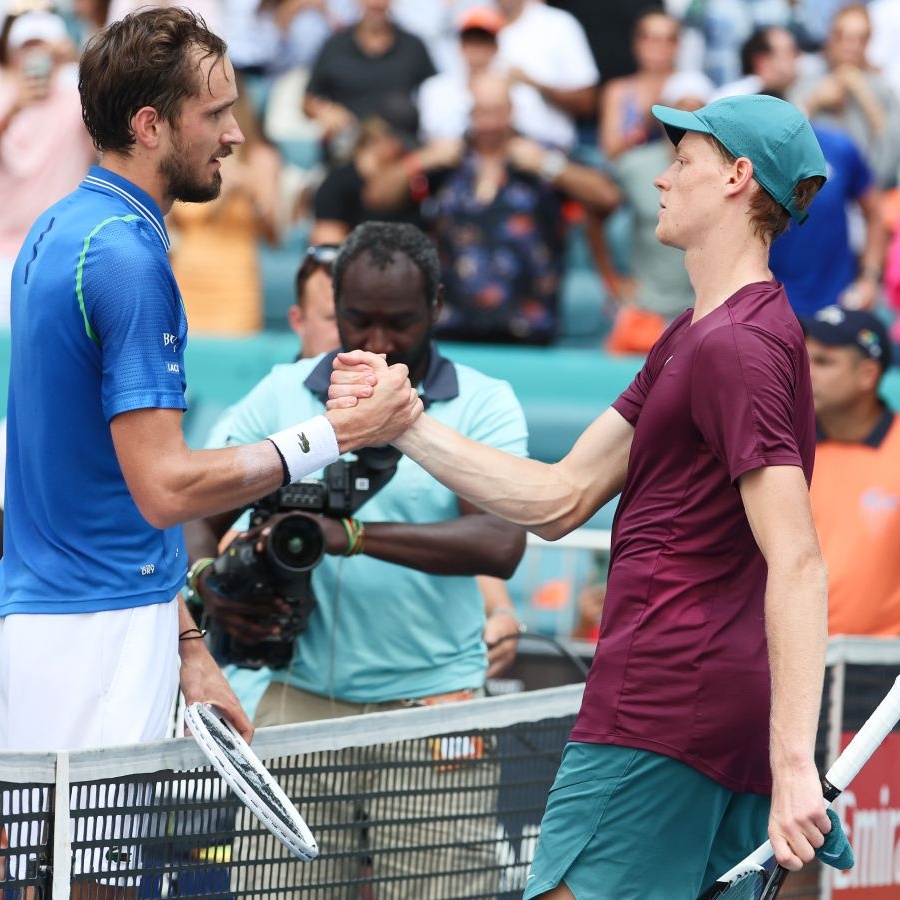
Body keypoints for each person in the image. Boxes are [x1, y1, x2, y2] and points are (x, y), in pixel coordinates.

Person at [330, 94, 834, 897]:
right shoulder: (702, 334)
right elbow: (561, 498)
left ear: (738, 179)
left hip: (665, 706)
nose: (661, 180)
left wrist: (795, 764)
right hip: (697, 704)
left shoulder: (734, 344)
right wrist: (405, 424)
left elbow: (799, 563)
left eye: (684, 162)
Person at [0, 6, 419, 766]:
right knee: (83, 886)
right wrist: (339, 434)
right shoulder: (127, 258)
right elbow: (164, 487)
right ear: (153, 125)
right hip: (95, 630)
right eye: (216, 113)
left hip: (70, 617)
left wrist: (189, 647)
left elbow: (115, 486)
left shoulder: (60, 228)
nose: (234, 134)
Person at [184, 221, 527, 895]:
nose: (375, 343)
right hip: (299, 703)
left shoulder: (484, 403)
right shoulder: (283, 394)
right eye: (356, 320)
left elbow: (499, 541)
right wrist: (206, 584)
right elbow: (197, 509)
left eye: (398, 323)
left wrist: (348, 536)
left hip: (434, 711)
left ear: (434, 304)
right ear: (332, 306)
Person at [367, 72, 621, 344]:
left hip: (528, 326)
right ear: (470, 112)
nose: (488, 122)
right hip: (452, 325)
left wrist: (549, 166)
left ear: (512, 111)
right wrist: (423, 160)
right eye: (481, 112)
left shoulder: (541, 154)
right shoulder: (447, 158)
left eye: (496, 111)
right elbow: (377, 197)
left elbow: (607, 197)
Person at [803, 306, 900, 637]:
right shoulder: (782, 448)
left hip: (885, 669)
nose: (805, 372)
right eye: (804, 358)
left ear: (868, 375)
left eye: (824, 362)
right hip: (789, 662)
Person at [0, 8, 96, 326]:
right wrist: (12, 110)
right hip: (4, 254)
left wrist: (80, 60)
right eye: (27, 48)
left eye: (44, 49)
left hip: (59, 254)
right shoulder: (3, 99)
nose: (35, 58)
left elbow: (116, 110)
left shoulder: (77, 103)